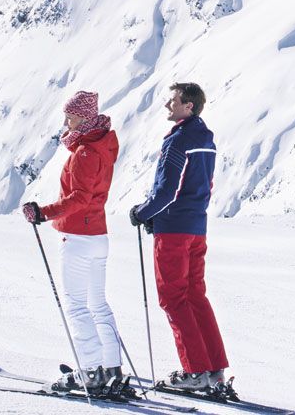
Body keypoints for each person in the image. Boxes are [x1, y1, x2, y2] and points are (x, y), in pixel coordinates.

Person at [22, 90, 128, 397]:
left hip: (79, 237)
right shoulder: (102, 145)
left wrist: (43, 213)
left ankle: (91, 372)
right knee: (98, 304)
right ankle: (110, 368)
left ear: (83, 117)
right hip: (98, 236)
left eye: (70, 117)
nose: (66, 123)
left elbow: (79, 199)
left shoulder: (84, 153)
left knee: (77, 306)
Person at [128, 82, 228, 392]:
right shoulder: (206, 141)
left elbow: (167, 191)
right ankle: (213, 369)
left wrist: (144, 213)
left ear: (189, 106)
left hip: (173, 230)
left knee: (173, 298)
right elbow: (203, 184)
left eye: (173, 101)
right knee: (195, 295)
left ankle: (195, 371)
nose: (167, 106)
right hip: (196, 227)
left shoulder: (178, 141)